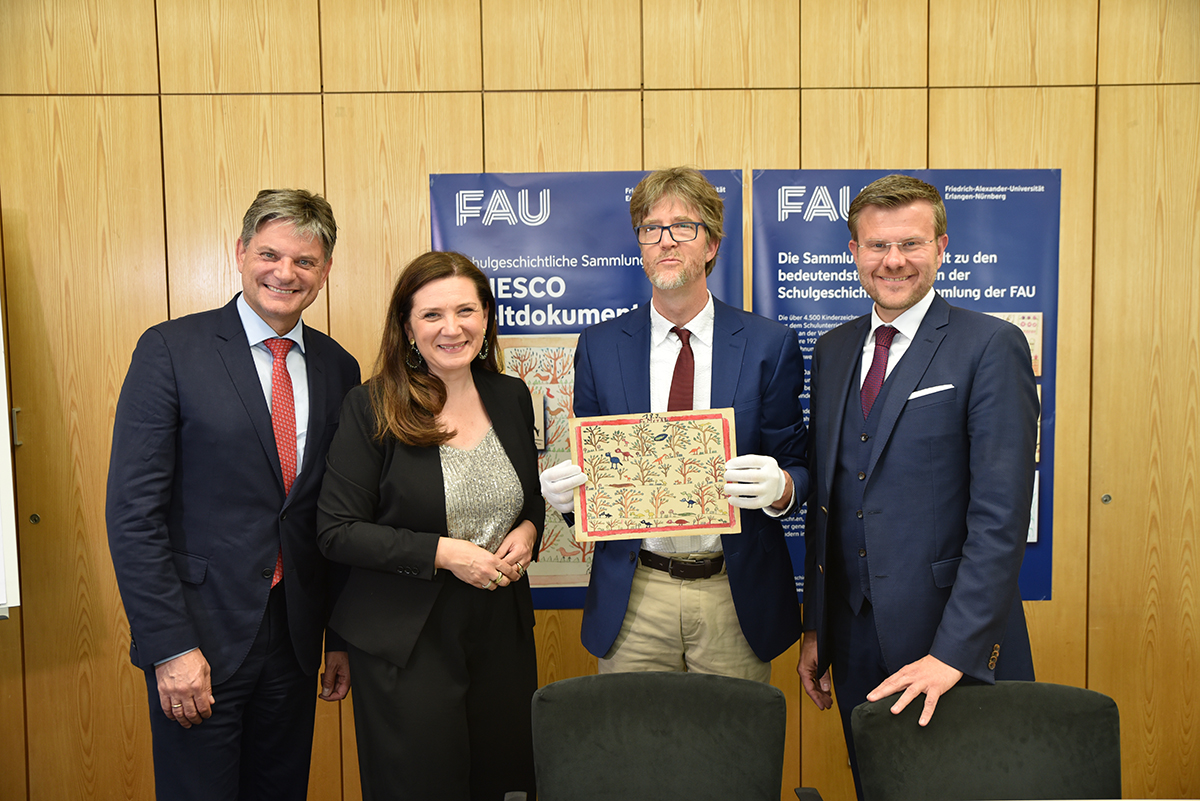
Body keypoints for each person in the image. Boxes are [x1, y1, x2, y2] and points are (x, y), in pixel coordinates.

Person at [106, 189, 361, 800]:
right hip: (201, 637)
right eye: (270, 254)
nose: (285, 273)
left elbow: (338, 514)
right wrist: (170, 647)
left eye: (305, 261)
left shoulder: (339, 368)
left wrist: (341, 637)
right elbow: (133, 515)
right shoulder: (170, 350)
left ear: (325, 271)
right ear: (241, 252)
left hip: (295, 640)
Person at [797, 173, 1038, 797]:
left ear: (942, 247)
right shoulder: (833, 350)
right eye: (877, 246)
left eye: (911, 243)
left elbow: (1000, 519)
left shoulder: (990, 345)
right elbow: (829, 502)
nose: (894, 261)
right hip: (852, 643)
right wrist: (816, 629)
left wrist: (952, 654)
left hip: (948, 646)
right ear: (853, 252)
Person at [539, 166, 809, 682]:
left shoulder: (767, 345)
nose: (665, 240)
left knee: (733, 755)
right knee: (634, 755)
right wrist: (571, 502)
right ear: (639, 244)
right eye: (650, 228)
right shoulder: (599, 347)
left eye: (683, 226)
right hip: (635, 592)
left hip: (733, 594)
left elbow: (799, 465)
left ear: (711, 244)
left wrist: (781, 489)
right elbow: (594, 467)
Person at [316, 252, 542, 801]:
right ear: (407, 328)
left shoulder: (510, 396)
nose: (452, 327)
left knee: (507, 780)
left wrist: (531, 529)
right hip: (407, 637)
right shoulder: (372, 405)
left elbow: (526, 496)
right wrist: (444, 552)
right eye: (432, 315)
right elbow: (336, 530)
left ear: (487, 318)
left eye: (466, 310)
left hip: (500, 628)